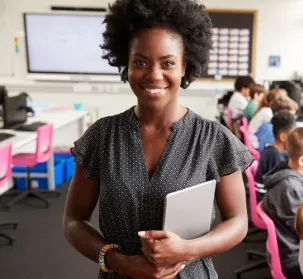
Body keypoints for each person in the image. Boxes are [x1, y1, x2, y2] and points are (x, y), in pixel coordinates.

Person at [62, 1, 254, 279]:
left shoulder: (213, 139)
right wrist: (121, 262)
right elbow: (73, 222)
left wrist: (188, 249)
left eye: (168, 63)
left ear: (184, 67)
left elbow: (238, 221)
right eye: (140, 61)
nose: (154, 74)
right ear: (125, 63)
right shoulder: (102, 136)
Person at [262, 127, 303, 279]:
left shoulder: (289, 172)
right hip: (294, 259)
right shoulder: (290, 188)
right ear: (302, 160)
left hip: (289, 249)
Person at [255, 110, 296, 185]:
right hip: (266, 195)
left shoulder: (280, 152)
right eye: (293, 135)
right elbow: (281, 184)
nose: (295, 139)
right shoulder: (273, 155)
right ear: (283, 137)